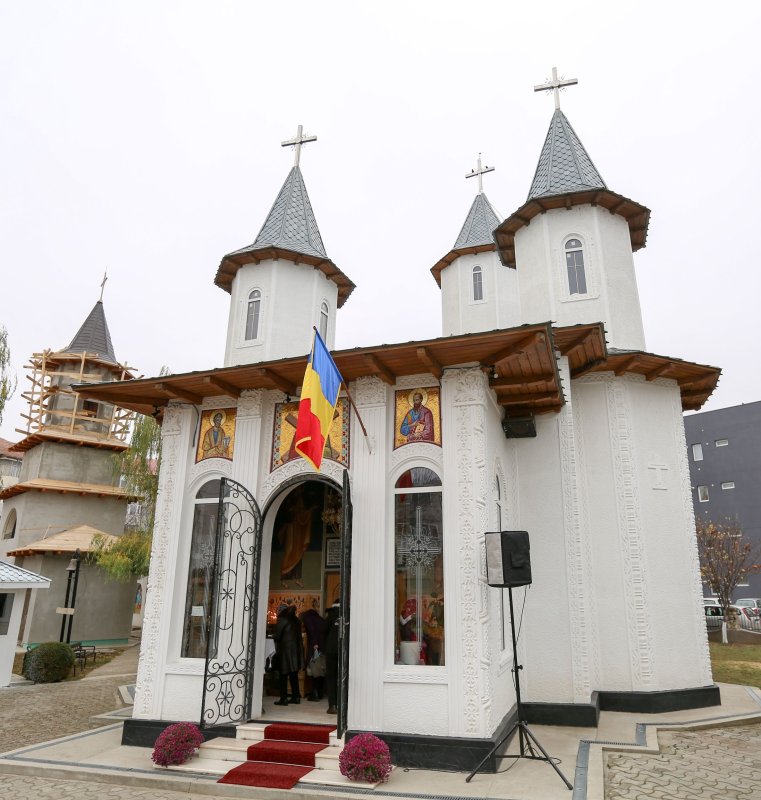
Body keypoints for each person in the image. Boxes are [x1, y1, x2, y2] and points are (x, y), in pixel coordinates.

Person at [272, 604, 305, 705]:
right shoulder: (296, 620)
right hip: (296, 651)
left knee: (283, 675)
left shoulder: (282, 619)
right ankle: (296, 697)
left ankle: (284, 699)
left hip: (285, 651)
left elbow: (277, 636)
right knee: (293, 674)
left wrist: (271, 635)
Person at [300, 607, 327, 701]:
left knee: (313, 669)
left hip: (315, 647)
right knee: (321, 670)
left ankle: (314, 693)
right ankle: (319, 693)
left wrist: (315, 643)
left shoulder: (308, 618)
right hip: (323, 647)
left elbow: (312, 631)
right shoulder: (320, 619)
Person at [323, 598, 341, 715]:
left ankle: (332, 706)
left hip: (331, 650)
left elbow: (324, 631)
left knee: (331, 677)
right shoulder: (350, 614)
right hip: (345, 650)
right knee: (344, 677)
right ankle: (344, 704)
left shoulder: (330, 615)